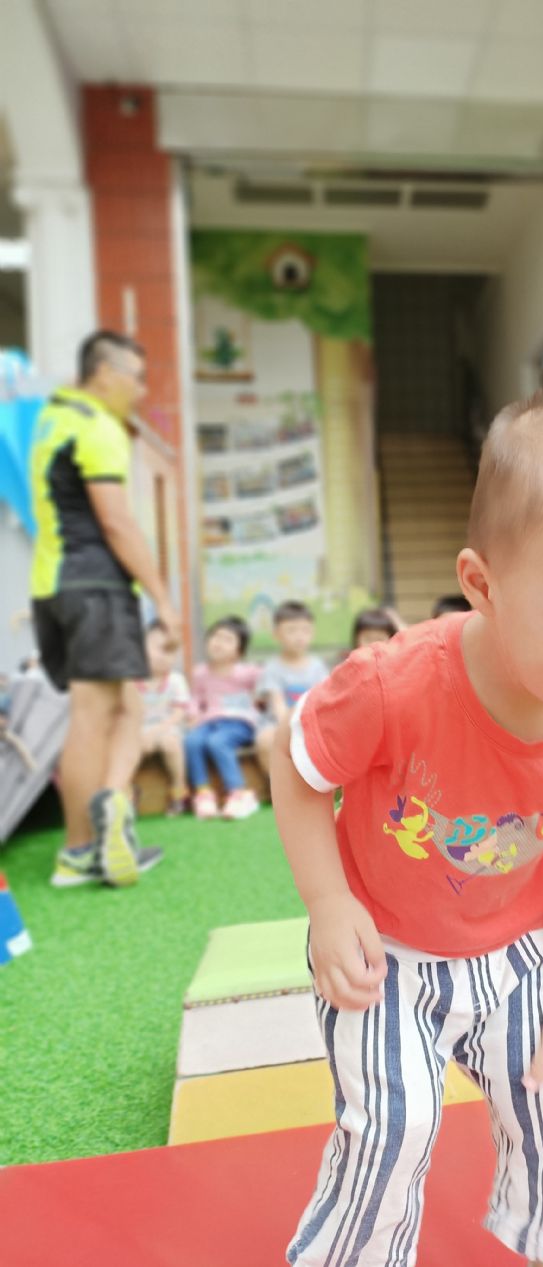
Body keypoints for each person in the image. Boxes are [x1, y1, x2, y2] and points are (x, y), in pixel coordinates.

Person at [270, 387, 543, 1267]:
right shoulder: (393, 685)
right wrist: (328, 902)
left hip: (515, 955)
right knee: (394, 1127)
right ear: (482, 584)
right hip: (387, 954)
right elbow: (297, 763)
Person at [30, 329, 181, 889]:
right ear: (104, 374)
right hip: (95, 586)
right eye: (136, 378)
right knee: (93, 716)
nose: (141, 390)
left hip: (54, 585)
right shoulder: (96, 426)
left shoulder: (53, 419)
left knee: (128, 709)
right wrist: (162, 598)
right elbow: (117, 522)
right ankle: (79, 851)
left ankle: (111, 808)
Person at [186, 616, 261, 820]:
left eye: (227, 639)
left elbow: (263, 689)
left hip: (239, 723)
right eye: (215, 637)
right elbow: (195, 698)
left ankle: (238, 792)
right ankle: (203, 792)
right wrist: (192, 714)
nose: (218, 642)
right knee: (192, 741)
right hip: (209, 721)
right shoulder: (200, 673)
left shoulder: (248, 673)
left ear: (239, 650)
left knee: (217, 742)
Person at [256, 601, 329, 776]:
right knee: (264, 740)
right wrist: (292, 729)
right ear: (276, 634)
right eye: (291, 630)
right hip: (279, 723)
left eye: (305, 630)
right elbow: (277, 704)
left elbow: (324, 700)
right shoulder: (272, 668)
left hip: (311, 722)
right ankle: (278, 784)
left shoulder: (317, 667)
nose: (299, 636)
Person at [137, 618, 190, 814]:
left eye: (171, 651)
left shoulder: (176, 680)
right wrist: (141, 734)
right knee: (129, 748)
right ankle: (127, 790)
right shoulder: (132, 681)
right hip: (139, 728)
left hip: (168, 727)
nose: (165, 656)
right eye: (160, 649)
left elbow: (179, 713)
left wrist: (156, 731)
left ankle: (179, 787)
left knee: (170, 744)